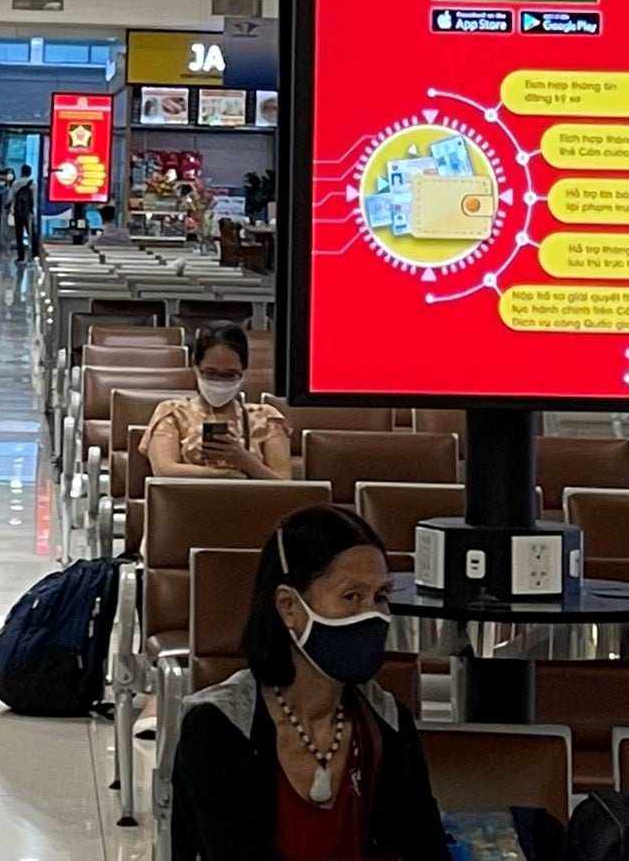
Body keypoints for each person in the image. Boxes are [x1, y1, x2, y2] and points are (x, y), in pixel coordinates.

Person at [170, 505, 446, 861]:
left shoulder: (387, 725)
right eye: (352, 597)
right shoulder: (218, 730)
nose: (373, 615)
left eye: (380, 597)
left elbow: (425, 850)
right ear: (289, 607)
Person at [145, 323, 291, 482]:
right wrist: (226, 476)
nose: (220, 382)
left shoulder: (267, 418)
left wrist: (245, 461)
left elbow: (283, 482)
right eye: (211, 373)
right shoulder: (172, 413)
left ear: (243, 372)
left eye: (230, 375)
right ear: (196, 368)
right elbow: (164, 470)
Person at [11, 166, 36, 261]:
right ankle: (34, 254)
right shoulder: (33, 183)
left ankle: (20, 256)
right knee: (31, 232)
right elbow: (34, 198)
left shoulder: (16, 183)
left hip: (18, 211)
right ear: (30, 172)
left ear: (21, 172)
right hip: (29, 212)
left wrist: (11, 209)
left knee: (19, 234)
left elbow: (11, 197)